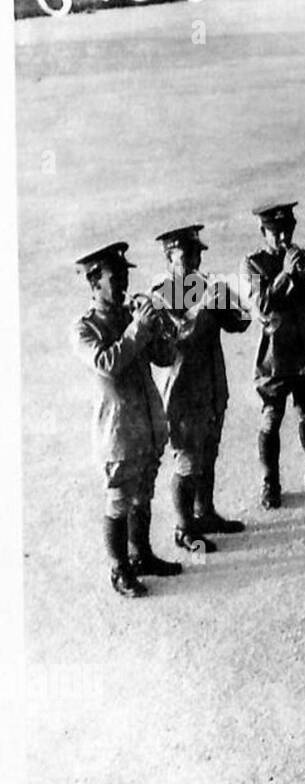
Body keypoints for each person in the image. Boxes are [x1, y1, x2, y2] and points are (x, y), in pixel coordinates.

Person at [71, 241, 181, 597]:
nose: (121, 283)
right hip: (117, 431)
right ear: (93, 282)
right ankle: (119, 570)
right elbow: (107, 363)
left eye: (123, 275)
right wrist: (137, 327)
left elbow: (163, 358)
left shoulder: (129, 314)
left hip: (146, 423)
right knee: (119, 499)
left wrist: (162, 325)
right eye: (113, 277)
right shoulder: (84, 328)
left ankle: (142, 555)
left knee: (143, 493)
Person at [241, 200, 305, 510]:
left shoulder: (302, 256)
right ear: (263, 232)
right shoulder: (253, 263)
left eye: (287, 230)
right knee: (272, 419)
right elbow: (261, 306)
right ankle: (270, 483)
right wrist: (286, 275)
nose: (284, 237)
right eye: (276, 232)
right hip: (275, 352)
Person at [153, 224, 250, 553]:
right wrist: (205, 308)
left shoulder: (203, 285)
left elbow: (240, 323)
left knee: (209, 452)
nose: (194, 261)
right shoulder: (163, 293)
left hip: (211, 386)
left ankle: (204, 513)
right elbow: (177, 341)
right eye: (187, 255)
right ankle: (183, 528)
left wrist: (231, 301)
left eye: (197, 254)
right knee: (188, 461)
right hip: (183, 392)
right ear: (170, 257)